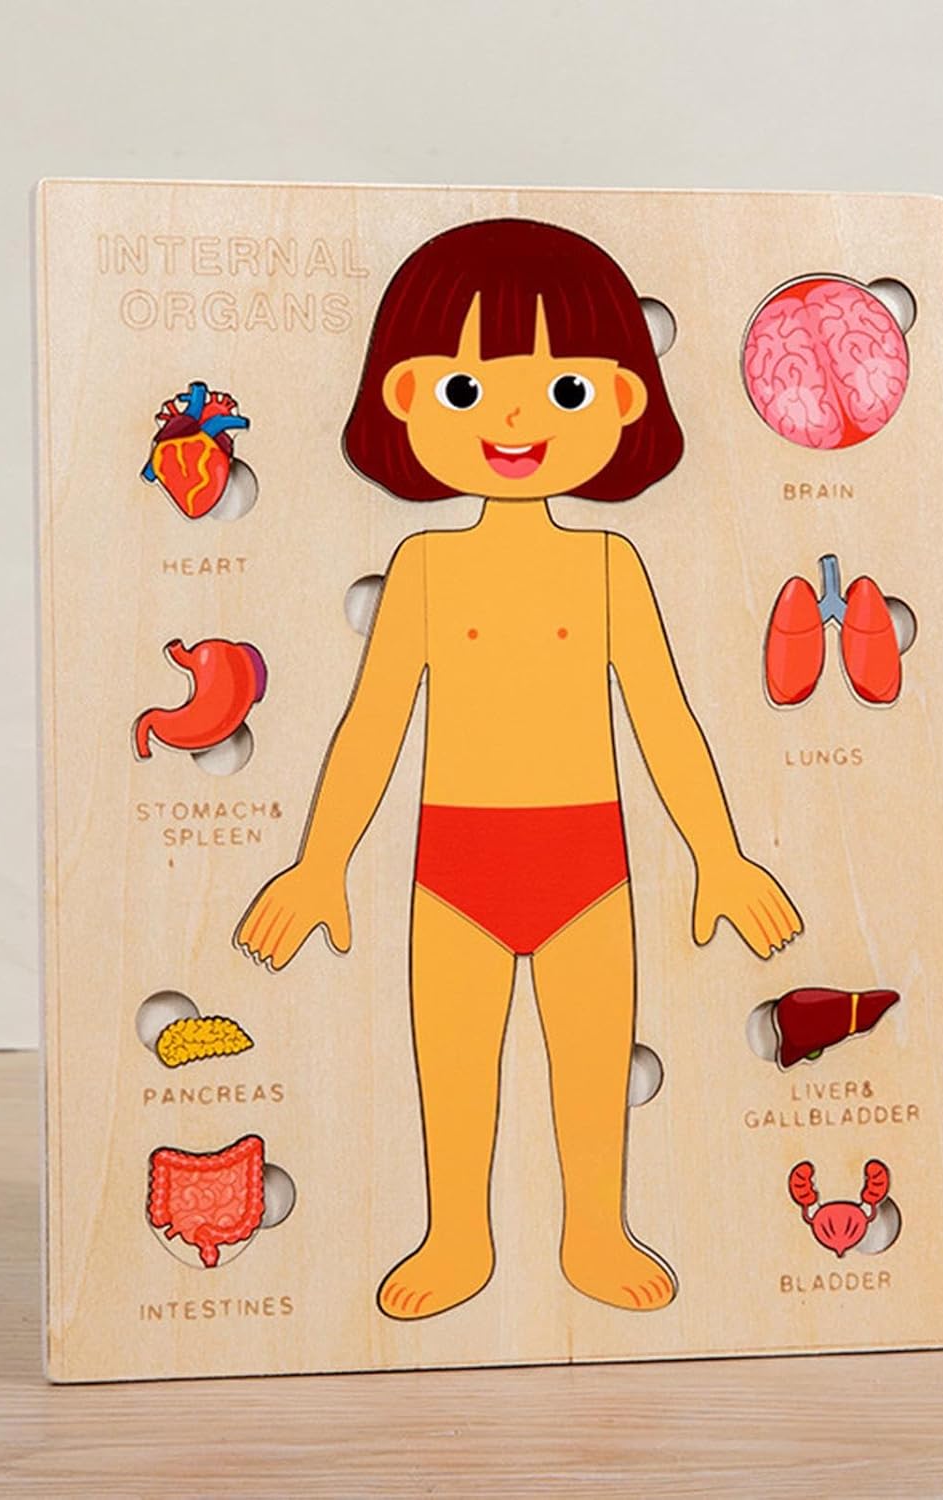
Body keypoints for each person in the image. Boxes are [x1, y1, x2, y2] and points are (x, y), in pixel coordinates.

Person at [236, 217, 802, 1319]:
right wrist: (319, 864)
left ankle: (597, 1230)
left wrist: (721, 856)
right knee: (454, 1068)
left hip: (591, 863)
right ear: (406, 397)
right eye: (465, 391)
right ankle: (457, 1235)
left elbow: (665, 721)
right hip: (453, 867)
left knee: (591, 1067)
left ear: (624, 401)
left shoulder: (610, 565)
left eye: (564, 391)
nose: (511, 420)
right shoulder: (423, 568)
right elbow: (371, 726)